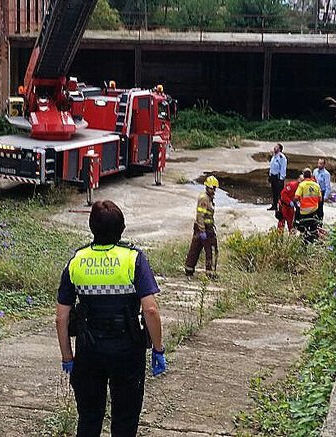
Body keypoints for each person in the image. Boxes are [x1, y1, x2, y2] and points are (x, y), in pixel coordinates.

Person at [56, 200, 166, 437]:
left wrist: (67, 356)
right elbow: (151, 310)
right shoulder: (133, 258)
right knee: (125, 418)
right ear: (122, 228)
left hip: (88, 350)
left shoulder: (77, 259)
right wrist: (158, 349)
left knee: (89, 417)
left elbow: (61, 315)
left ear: (91, 227)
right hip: (127, 349)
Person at [184, 175, 218, 278]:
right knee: (209, 250)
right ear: (207, 187)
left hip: (206, 228)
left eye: (214, 189)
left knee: (196, 248)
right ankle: (209, 273)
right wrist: (203, 230)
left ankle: (189, 268)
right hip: (204, 229)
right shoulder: (204, 199)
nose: (213, 191)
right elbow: (200, 216)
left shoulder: (209, 198)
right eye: (212, 188)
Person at [294, 168, 323, 242]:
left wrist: (298, 203)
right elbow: (320, 199)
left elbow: (296, 197)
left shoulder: (302, 185)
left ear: (303, 176)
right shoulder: (316, 185)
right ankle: (313, 242)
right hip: (314, 211)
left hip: (304, 212)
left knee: (302, 229)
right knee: (313, 229)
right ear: (311, 176)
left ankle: (304, 244)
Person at [267, 143, 287, 211]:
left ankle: (281, 207)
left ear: (280, 149)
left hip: (278, 177)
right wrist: (270, 175)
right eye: (275, 147)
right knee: (274, 191)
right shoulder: (274, 156)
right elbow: (272, 166)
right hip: (273, 176)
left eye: (276, 147)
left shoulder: (282, 158)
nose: (274, 148)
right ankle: (274, 205)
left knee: (280, 193)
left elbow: (283, 168)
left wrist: (281, 179)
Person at [312, 157, 332, 223]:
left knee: (319, 209)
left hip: (321, 192)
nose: (319, 165)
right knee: (313, 208)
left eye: (321, 164)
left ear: (324, 165)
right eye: (318, 163)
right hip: (314, 192)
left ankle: (319, 223)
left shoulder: (326, 174)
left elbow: (328, 186)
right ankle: (313, 222)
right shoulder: (315, 171)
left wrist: (325, 196)